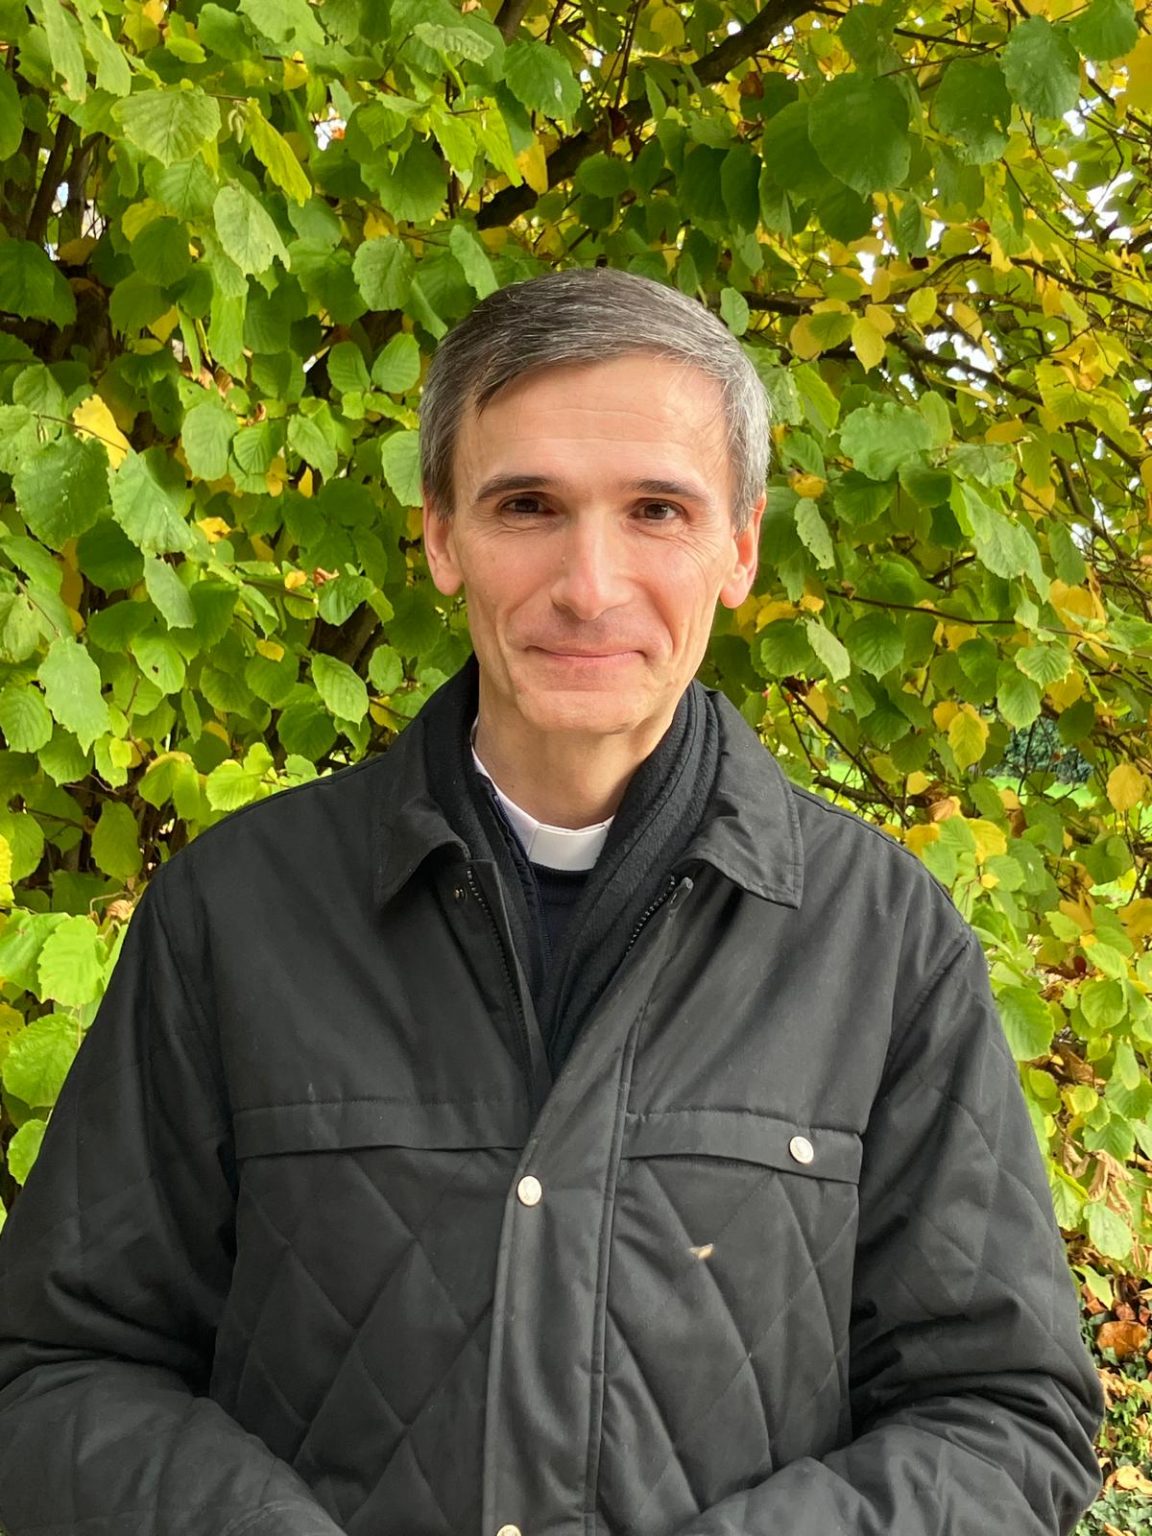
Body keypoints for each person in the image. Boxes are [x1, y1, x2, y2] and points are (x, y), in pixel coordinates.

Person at [0, 268, 1101, 1536]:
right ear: (441, 537)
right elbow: (59, 1371)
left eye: (656, 510)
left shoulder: (882, 943)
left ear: (740, 548)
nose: (590, 583)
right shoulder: (236, 913)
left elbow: (1005, 1414)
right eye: (527, 505)